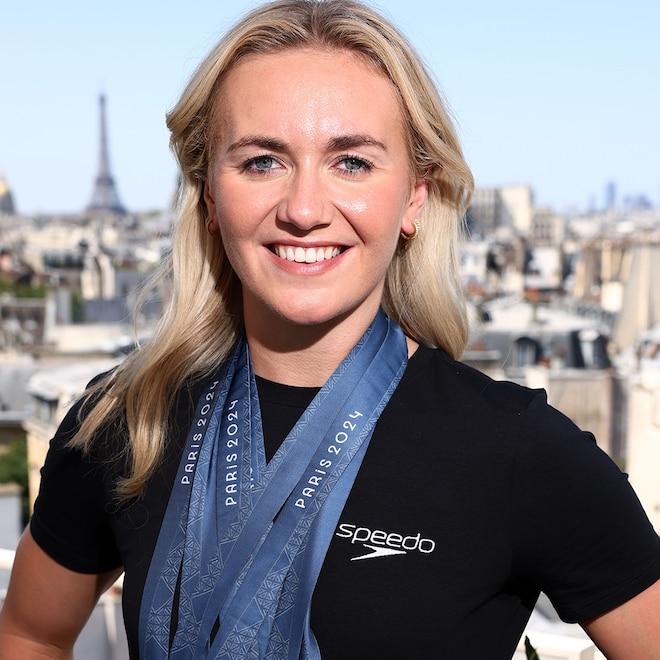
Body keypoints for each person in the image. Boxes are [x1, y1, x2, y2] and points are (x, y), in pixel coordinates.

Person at [1, 0, 660, 657]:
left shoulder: (519, 453)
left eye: (352, 162)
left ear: (415, 196)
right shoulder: (129, 421)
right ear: (209, 195)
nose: (304, 209)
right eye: (262, 161)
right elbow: (29, 633)